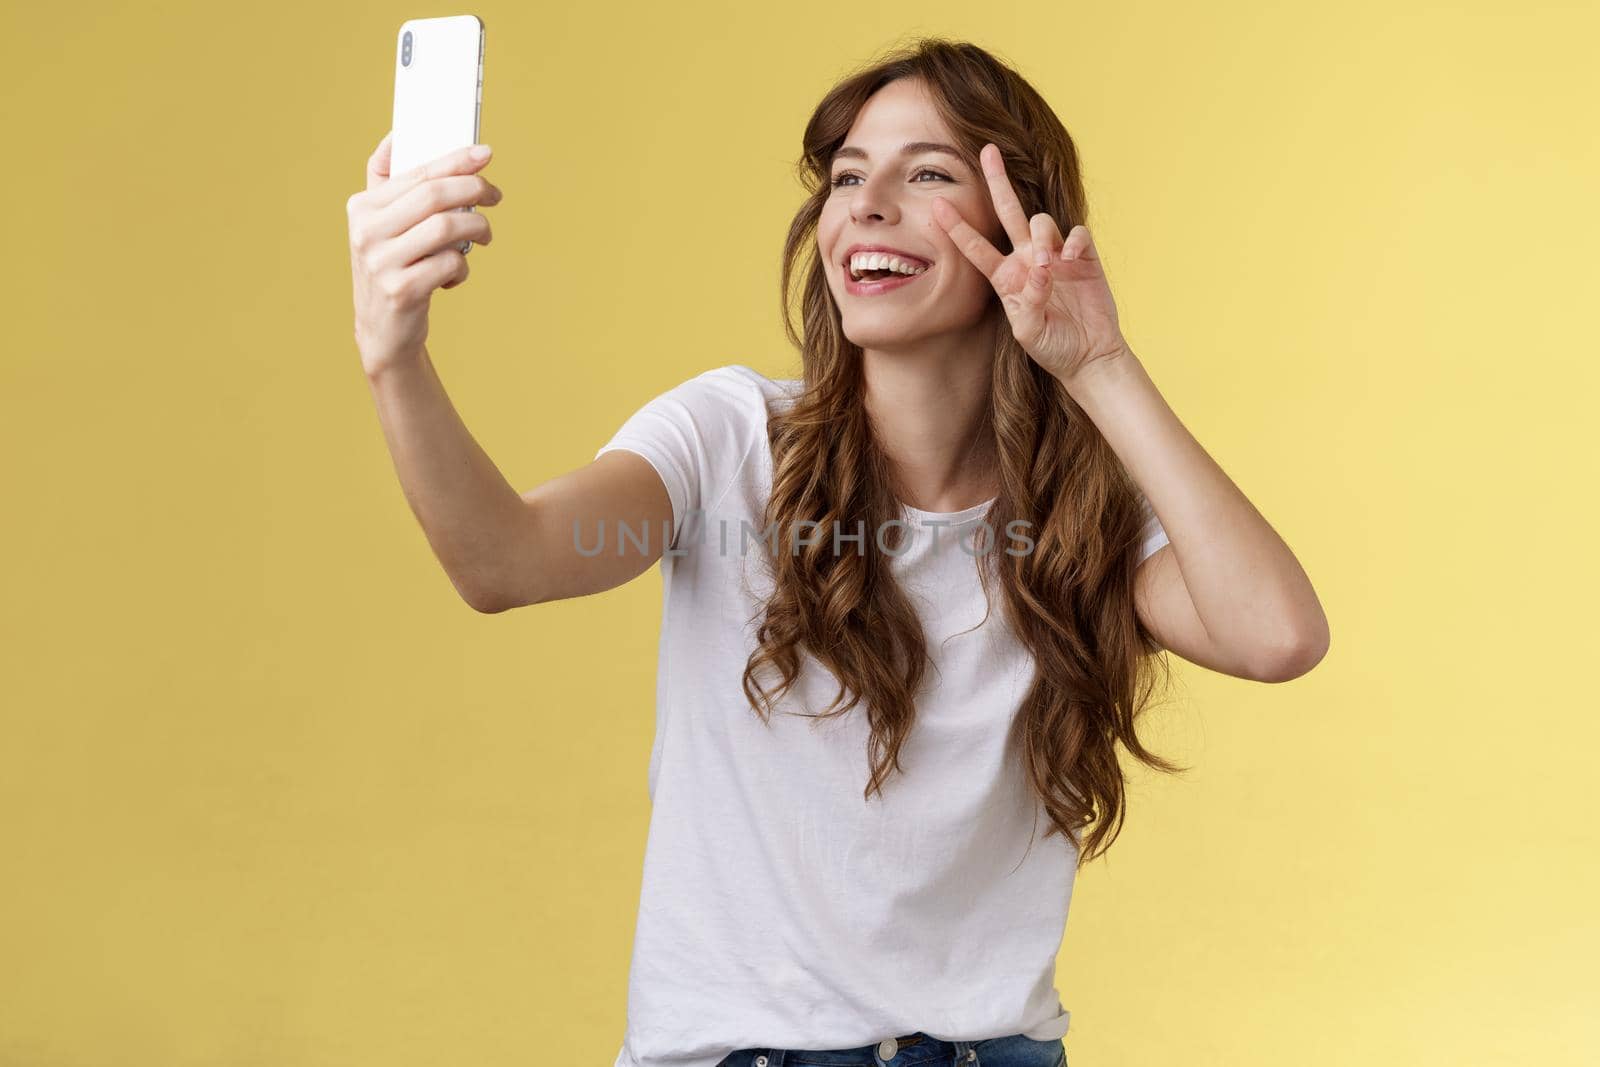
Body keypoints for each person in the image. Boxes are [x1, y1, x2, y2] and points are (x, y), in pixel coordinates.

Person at [346, 35, 1329, 1067]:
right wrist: (394, 355)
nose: (864, 204)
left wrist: (1100, 364)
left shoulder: (1080, 517)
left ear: (1023, 223)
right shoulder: (725, 442)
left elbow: (1277, 636)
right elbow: (503, 560)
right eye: (848, 175)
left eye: (929, 174)